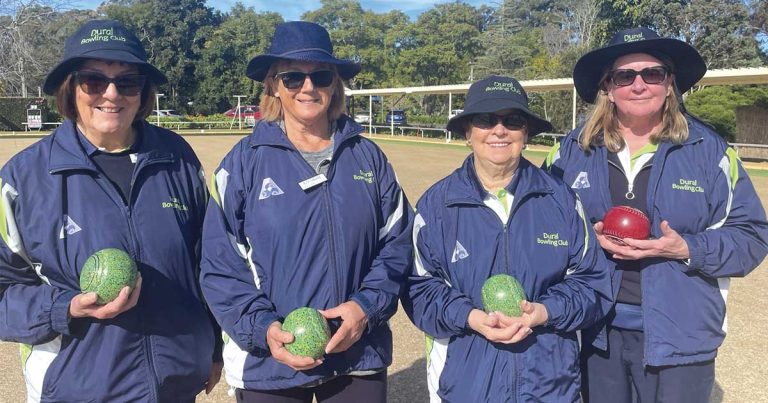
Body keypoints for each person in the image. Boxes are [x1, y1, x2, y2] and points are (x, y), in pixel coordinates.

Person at [0, 19, 223, 402]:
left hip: (175, 387)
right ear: (71, 87)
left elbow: (210, 264)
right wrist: (65, 307)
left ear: (143, 92)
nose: (112, 94)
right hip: (78, 390)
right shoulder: (22, 179)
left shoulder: (176, 157)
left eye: (128, 81)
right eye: (93, 80)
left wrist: (214, 349)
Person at [544, 27, 768, 403]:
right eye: (624, 76)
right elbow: (541, 229)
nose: (639, 84)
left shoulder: (710, 151)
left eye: (653, 74)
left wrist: (685, 247)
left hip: (682, 335)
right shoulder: (571, 150)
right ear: (607, 88)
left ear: (669, 85)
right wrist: (581, 243)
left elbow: (752, 236)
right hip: (597, 331)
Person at [199, 21, 413, 403]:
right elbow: (220, 265)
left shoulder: (369, 157)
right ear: (274, 86)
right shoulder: (242, 164)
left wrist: (365, 308)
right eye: (294, 77)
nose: (308, 87)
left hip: (357, 356)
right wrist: (263, 328)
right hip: (269, 364)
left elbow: (397, 245)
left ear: (335, 85)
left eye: (321, 76)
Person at [403, 75, 613, 402]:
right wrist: (472, 318)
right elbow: (419, 289)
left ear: (526, 134)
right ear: (468, 133)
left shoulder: (561, 199)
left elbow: (594, 285)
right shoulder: (435, 205)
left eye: (512, 121)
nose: (499, 130)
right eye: (486, 120)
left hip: (549, 388)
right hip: (466, 388)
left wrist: (543, 311)